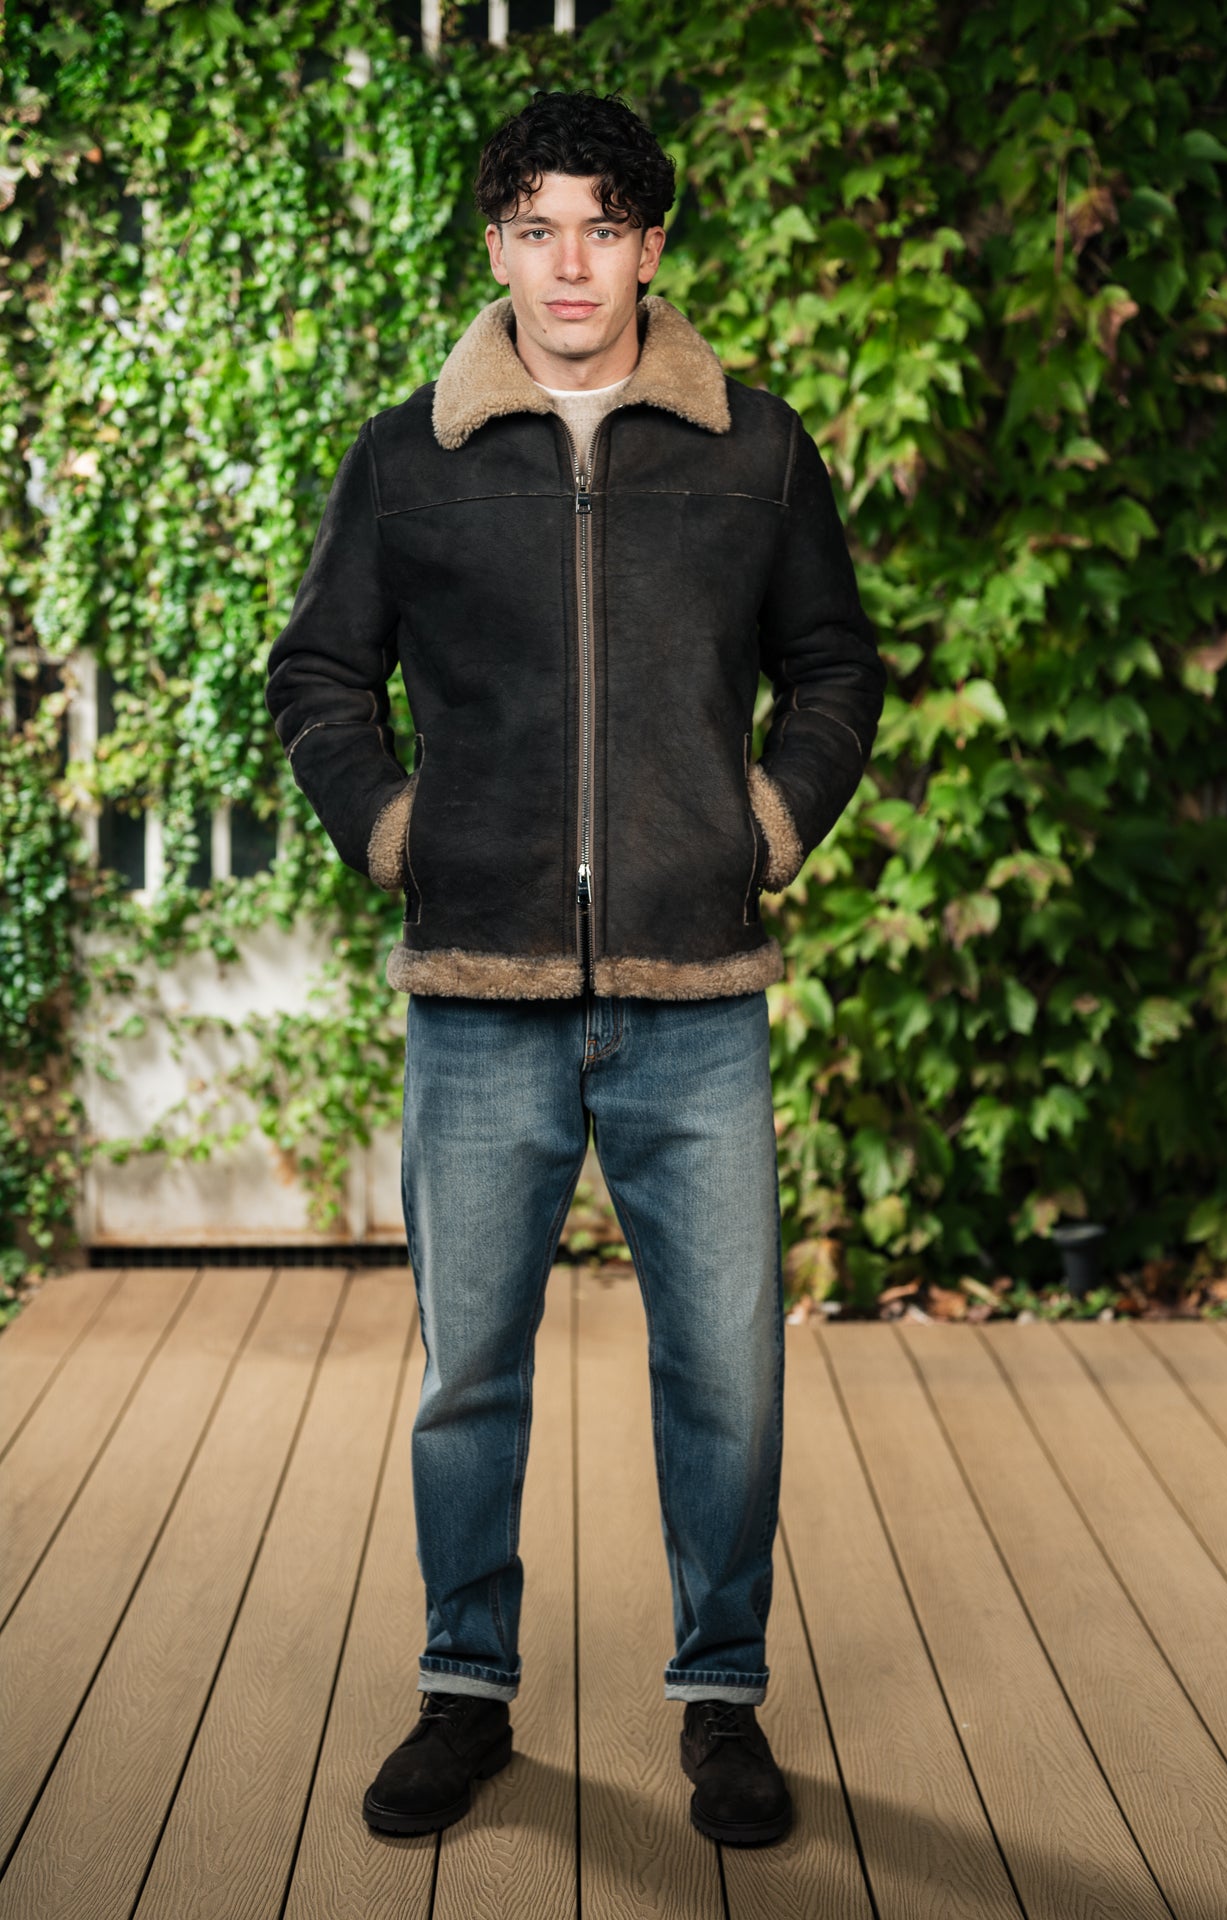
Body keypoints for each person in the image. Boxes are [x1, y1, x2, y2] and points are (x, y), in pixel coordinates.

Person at [264, 86, 885, 1850]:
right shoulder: (410, 457)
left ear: (651, 248)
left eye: (601, 228)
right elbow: (318, 676)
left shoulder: (754, 450)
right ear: (495, 247)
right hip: (480, 996)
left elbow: (835, 667)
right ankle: (464, 1690)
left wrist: (769, 825)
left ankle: (721, 1698)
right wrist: (398, 832)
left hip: (697, 999)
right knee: (470, 1373)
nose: (568, 264)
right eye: (536, 227)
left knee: (727, 1376)